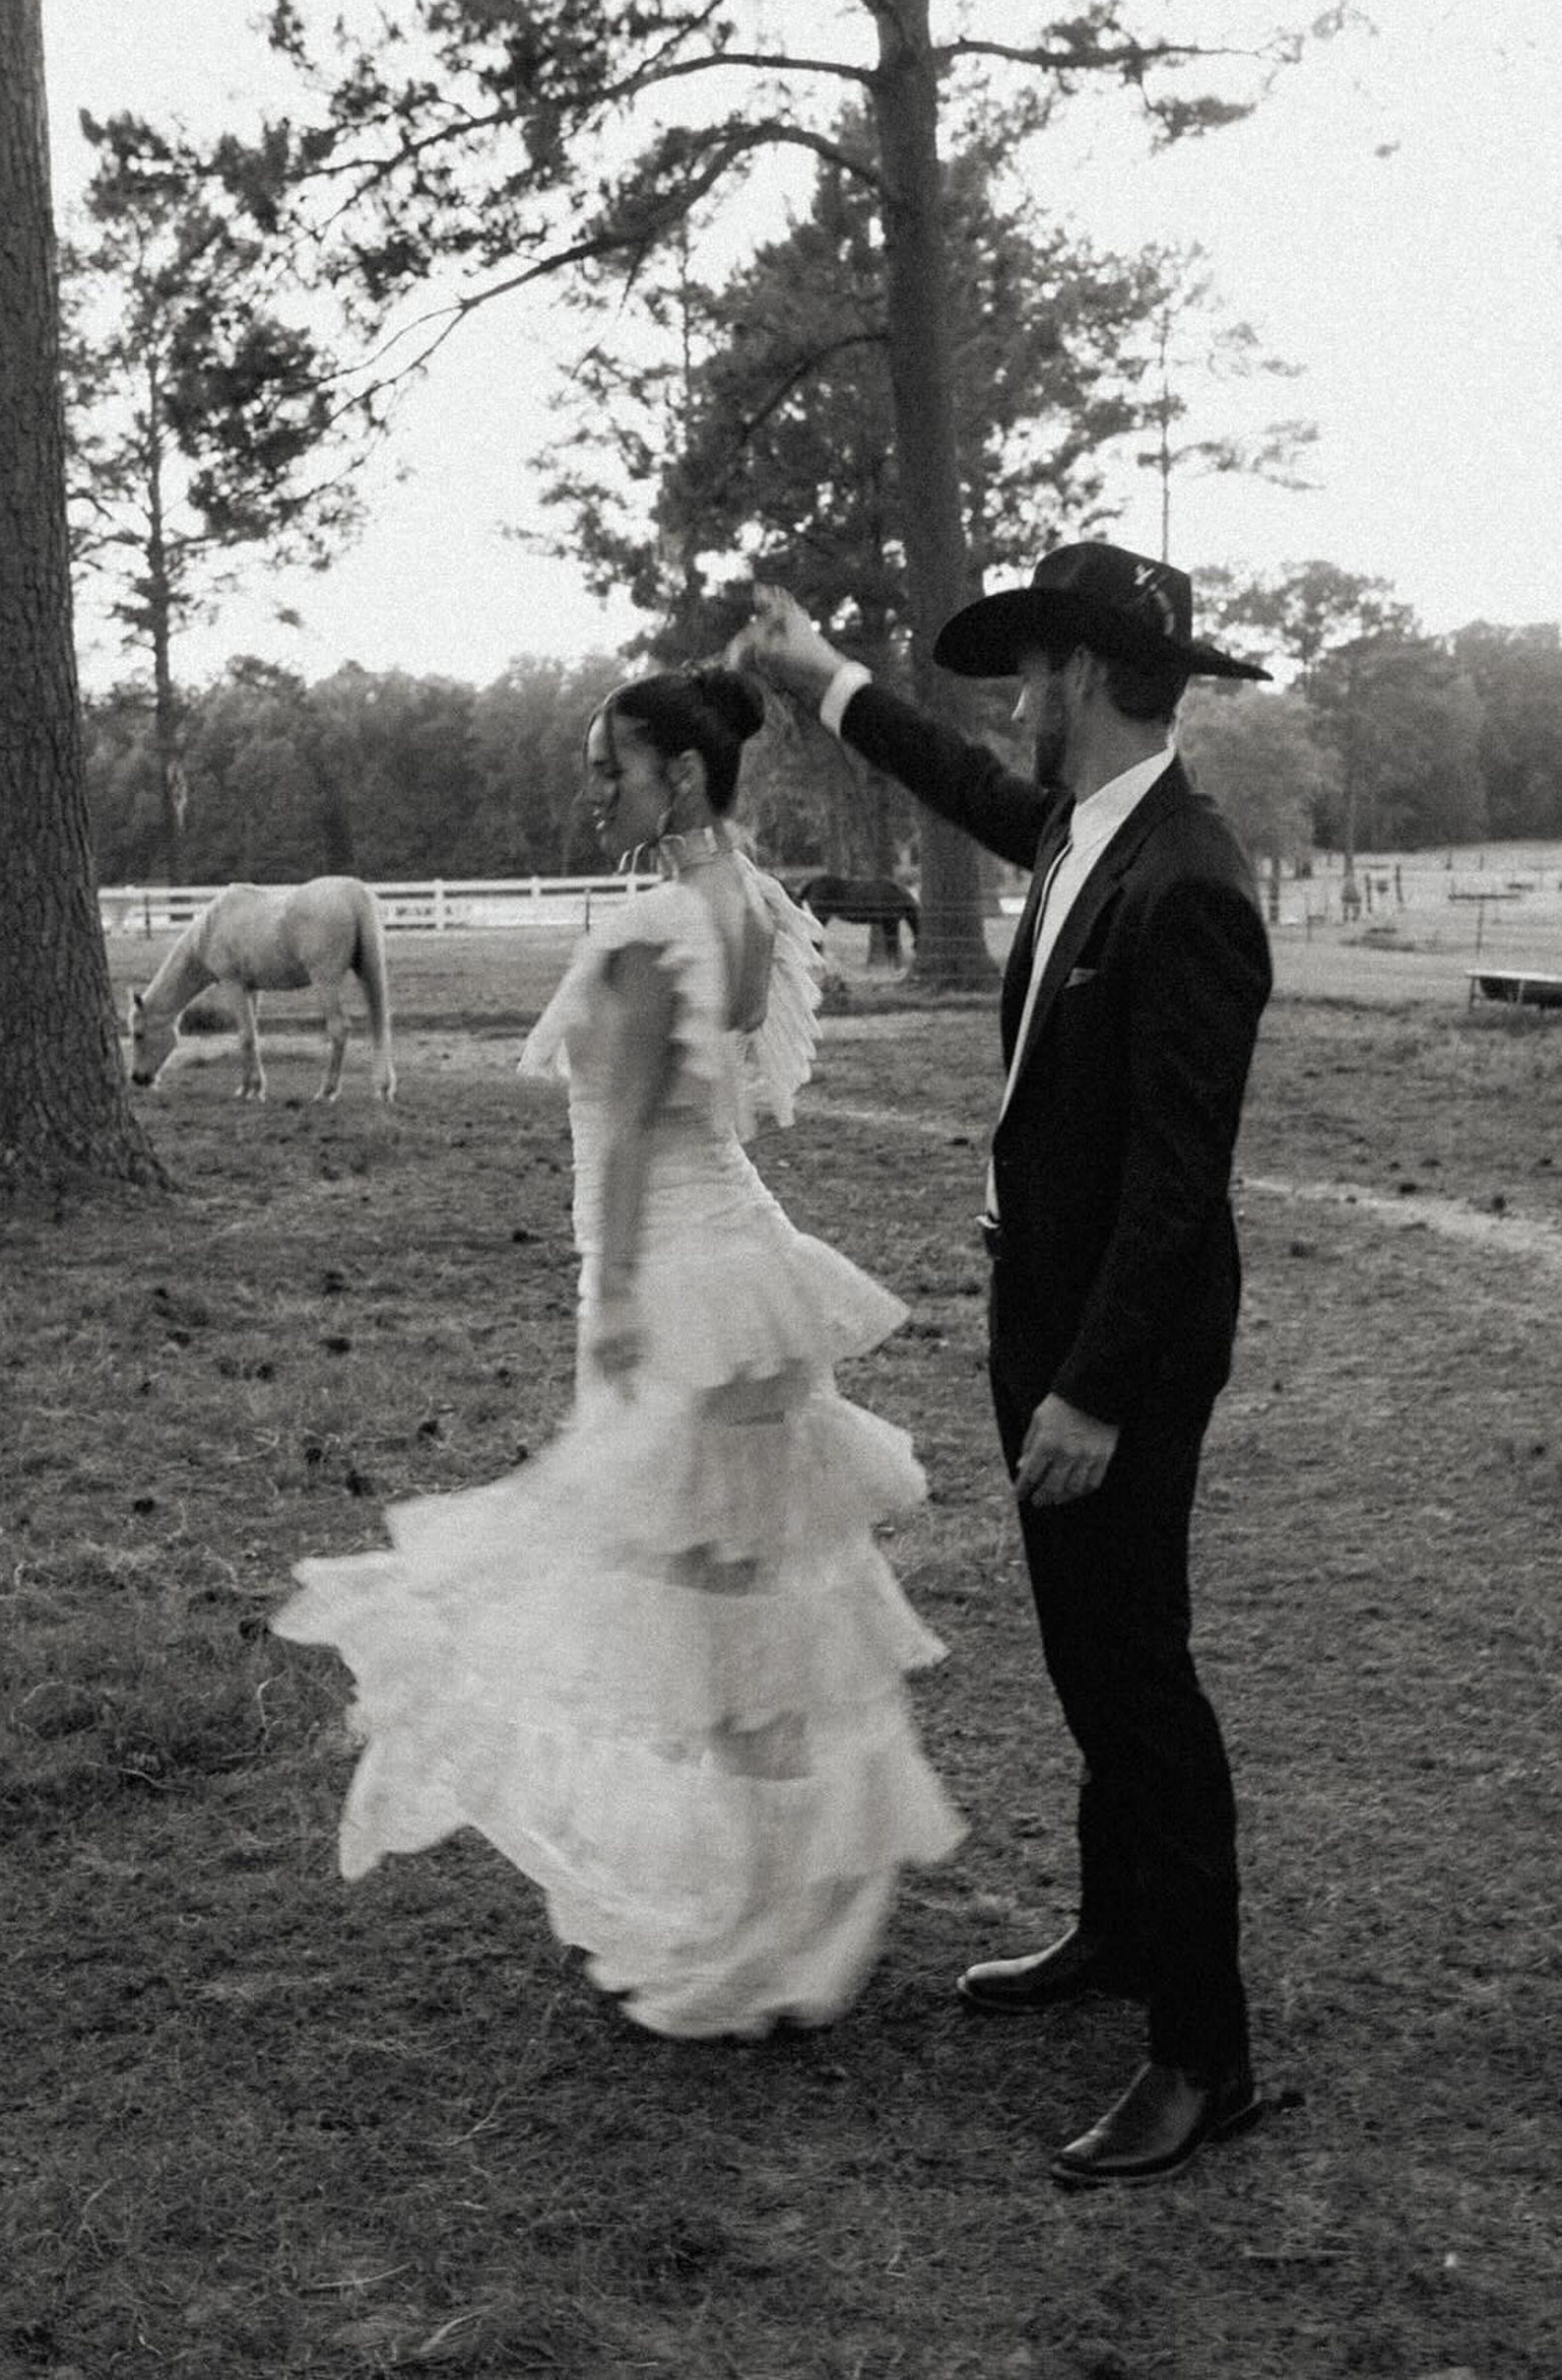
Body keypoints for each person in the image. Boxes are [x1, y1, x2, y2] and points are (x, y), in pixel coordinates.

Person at [273, 665, 962, 2039]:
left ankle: (758, 1932)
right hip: (753, 1271)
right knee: (747, 1610)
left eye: (614, 768)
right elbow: (731, 1109)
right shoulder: (751, 900)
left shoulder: (659, 921)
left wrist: (620, 1307)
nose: (597, 791)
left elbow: (642, 1127)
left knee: (671, 1601)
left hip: (684, 1286)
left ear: (684, 778)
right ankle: (771, 1908)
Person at [736, 544, 1273, 2185]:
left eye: (1037, 670)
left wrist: (1096, 1393)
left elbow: (1182, 1184)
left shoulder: (1189, 882)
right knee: (1087, 1658)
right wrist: (819, 673)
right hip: (1042, 1321)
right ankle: (1118, 1936)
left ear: (1096, 679)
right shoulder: (1077, 833)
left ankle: (1203, 2055)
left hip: (1119, 1359)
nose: (1017, 701)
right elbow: (951, 769)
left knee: (1142, 1682)